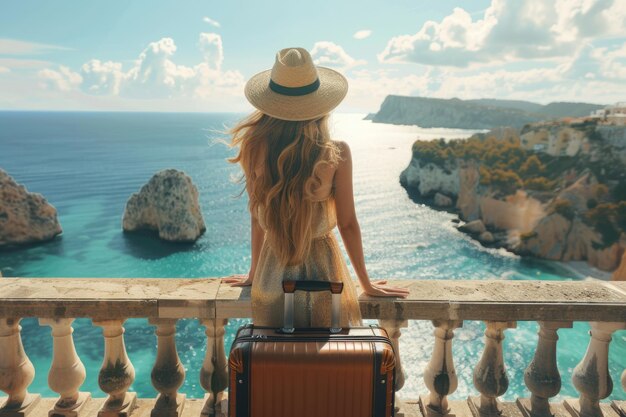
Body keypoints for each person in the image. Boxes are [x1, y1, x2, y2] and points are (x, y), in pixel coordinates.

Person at [222, 47, 409, 328]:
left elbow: (256, 216)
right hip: (325, 276)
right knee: (326, 363)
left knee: (279, 361)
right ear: (320, 104)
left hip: (272, 273)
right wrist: (365, 282)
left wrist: (253, 273)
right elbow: (347, 224)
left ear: (271, 103)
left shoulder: (253, 147)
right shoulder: (336, 153)